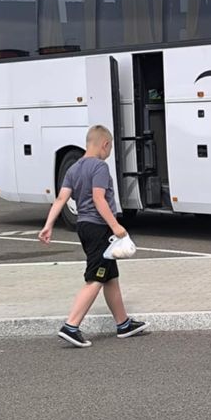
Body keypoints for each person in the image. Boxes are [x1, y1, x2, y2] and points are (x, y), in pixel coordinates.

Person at [39, 125, 148, 348]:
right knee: (96, 277)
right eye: (109, 149)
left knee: (110, 276)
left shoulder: (74, 168)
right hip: (100, 228)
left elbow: (61, 199)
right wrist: (116, 226)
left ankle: (123, 323)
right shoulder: (99, 167)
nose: (108, 154)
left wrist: (48, 225)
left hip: (84, 226)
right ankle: (71, 326)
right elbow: (99, 199)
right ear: (105, 144)